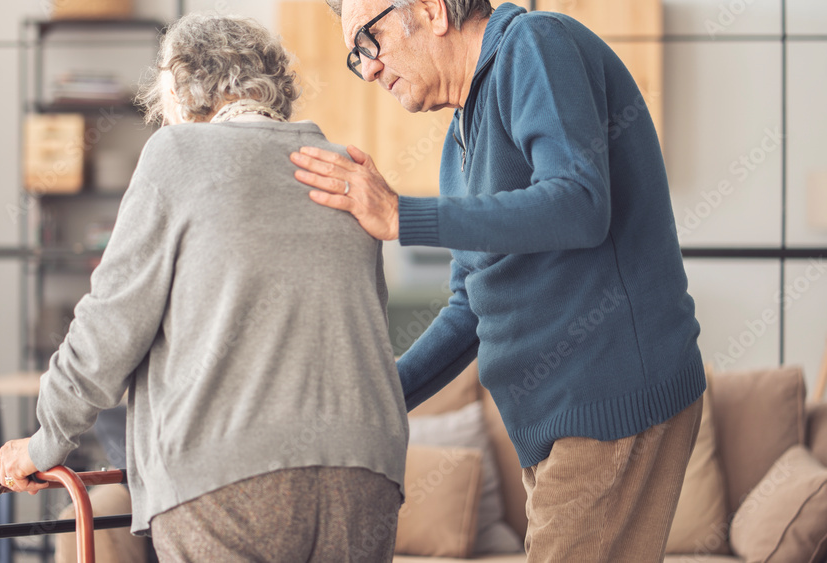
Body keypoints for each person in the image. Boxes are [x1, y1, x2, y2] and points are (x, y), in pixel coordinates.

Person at [290, 1, 705, 561]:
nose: (368, 68)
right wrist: (378, 396)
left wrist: (402, 215)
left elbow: (580, 202)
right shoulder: (457, 142)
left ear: (433, 10)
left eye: (370, 39)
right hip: (551, 422)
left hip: (608, 395)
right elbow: (470, 307)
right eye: (355, 56)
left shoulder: (534, 46)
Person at [0, 13, 409, 562]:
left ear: (179, 86)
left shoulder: (177, 155)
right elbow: (366, 331)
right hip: (367, 472)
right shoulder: (343, 169)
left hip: (230, 477)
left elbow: (110, 326)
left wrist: (47, 439)